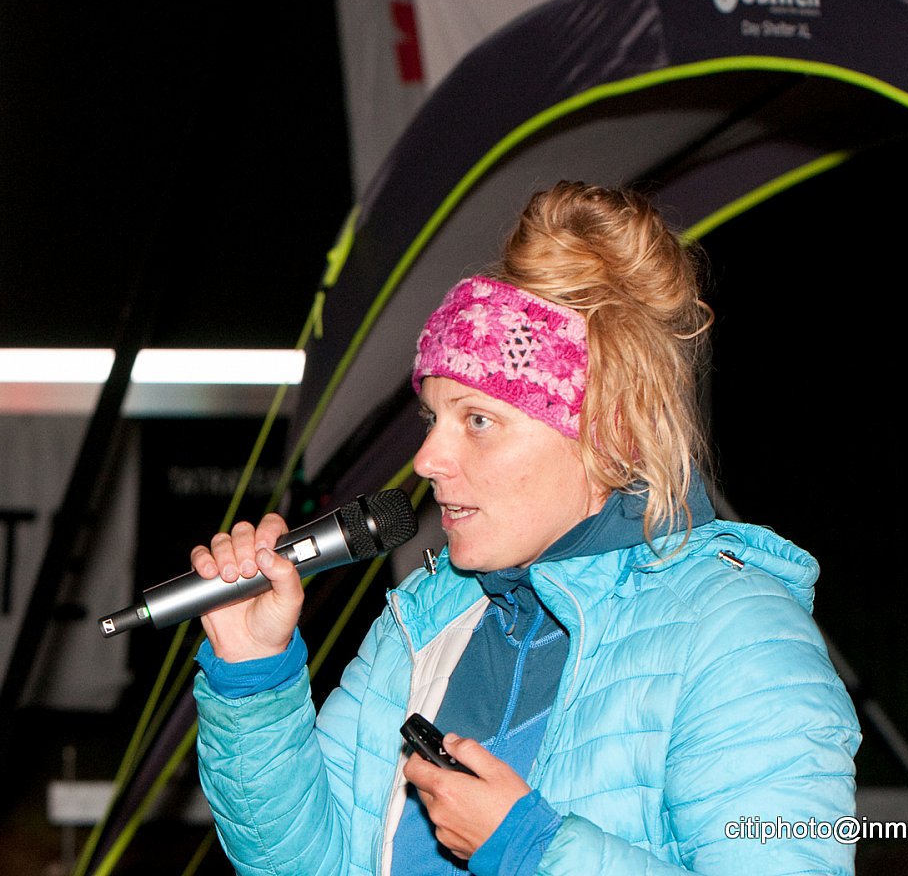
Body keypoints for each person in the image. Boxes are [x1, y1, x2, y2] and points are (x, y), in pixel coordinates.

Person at [189, 181, 860, 875]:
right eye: (433, 419)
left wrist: (530, 851)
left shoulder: (735, 636)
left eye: (478, 420)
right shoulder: (425, 620)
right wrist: (254, 677)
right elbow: (305, 865)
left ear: (609, 435)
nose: (427, 459)